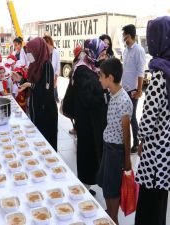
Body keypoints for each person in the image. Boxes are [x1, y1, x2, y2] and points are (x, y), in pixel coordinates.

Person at [135, 16, 170, 225]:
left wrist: (140, 139)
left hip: (155, 151)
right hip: (166, 148)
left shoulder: (159, 75)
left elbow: (148, 118)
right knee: (160, 201)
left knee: (149, 202)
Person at [64, 38, 108, 192]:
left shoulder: (90, 66)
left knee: (90, 154)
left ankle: (86, 185)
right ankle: (83, 188)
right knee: (87, 154)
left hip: (90, 121)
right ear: (92, 51)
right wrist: (104, 95)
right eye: (101, 52)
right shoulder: (82, 70)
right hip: (86, 121)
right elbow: (88, 99)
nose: (103, 55)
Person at [97, 58, 133, 224]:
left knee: (112, 190)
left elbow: (127, 133)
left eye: (101, 76)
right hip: (108, 146)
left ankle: (113, 219)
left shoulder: (123, 101)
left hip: (115, 150)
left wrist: (126, 159)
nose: (99, 79)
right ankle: (109, 213)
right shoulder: (113, 94)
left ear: (110, 78)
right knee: (106, 184)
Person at [18, 37, 58, 150]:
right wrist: (21, 79)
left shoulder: (46, 66)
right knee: (37, 144)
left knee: (46, 146)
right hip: (37, 109)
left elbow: (45, 90)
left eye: (30, 52)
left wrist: (29, 85)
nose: (28, 55)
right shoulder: (34, 65)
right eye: (27, 52)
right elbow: (32, 84)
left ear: (38, 50)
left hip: (46, 112)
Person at [122, 24, 146, 153]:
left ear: (129, 35)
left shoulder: (139, 50)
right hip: (124, 89)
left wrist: (139, 90)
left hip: (133, 90)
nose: (123, 37)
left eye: (124, 35)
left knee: (131, 117)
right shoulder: (126, 49)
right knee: (125, 116)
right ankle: (127, 141)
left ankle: (136, 143)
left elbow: (140, 72)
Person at [43, 35, 61, 103]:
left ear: (49, 42)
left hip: (52, 77)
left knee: (52, 95)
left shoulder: (55, 52)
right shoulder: (44, 52)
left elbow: (57, 67)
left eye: (45, 43)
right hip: (46, 78)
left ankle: (55, 99)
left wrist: (55, 80)